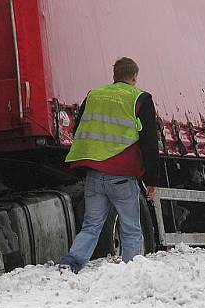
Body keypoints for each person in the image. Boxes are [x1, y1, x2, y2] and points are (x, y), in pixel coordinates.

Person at [58, 57, 161, 273]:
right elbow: (149, 142)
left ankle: (71, 264)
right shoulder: (140, 98)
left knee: (91, 226)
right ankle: (130, 270)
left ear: (114, 76)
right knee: (131, 228)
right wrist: (151, 179)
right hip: (123, 176)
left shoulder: (93, 95)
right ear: (134, 77)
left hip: (94, 175)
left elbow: (79, 131)